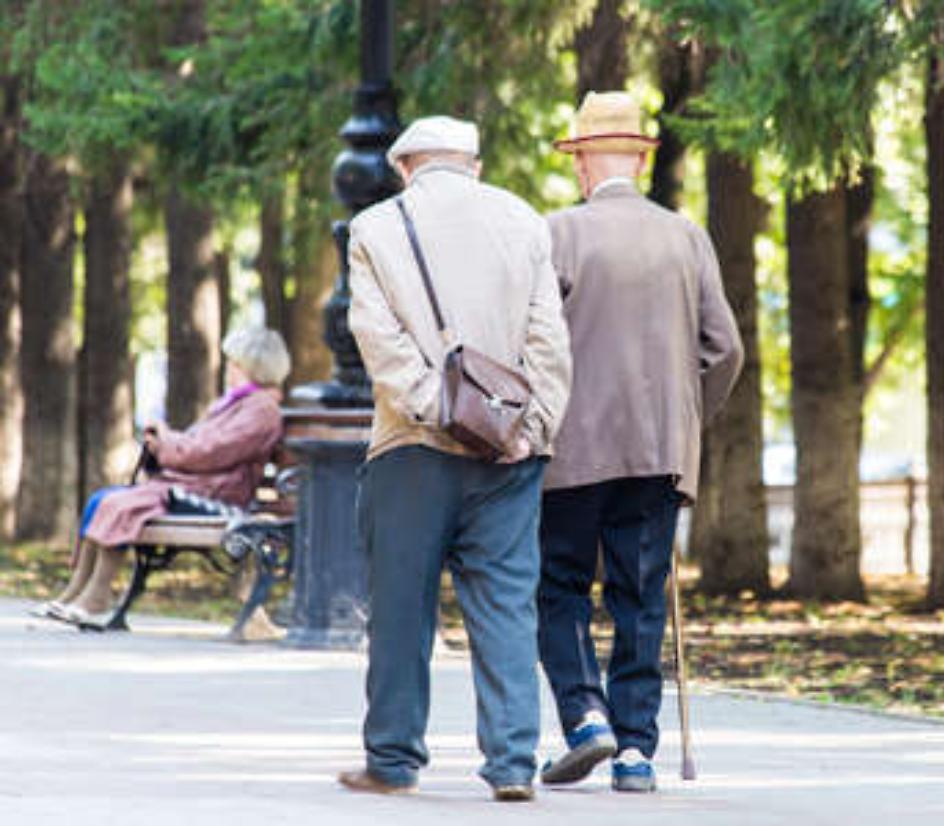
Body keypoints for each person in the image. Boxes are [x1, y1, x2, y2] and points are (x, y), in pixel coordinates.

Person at [337, 115, 571, 802]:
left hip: (411, 447)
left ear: (406, 165)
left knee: (402, 607)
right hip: (510, 449)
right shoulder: (525, 220)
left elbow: (376, 341)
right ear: (473, 164)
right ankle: (512, 764)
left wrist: (438, 408)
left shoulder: (376, 228)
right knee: (505, 602)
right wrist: (528, 425)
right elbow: (548, 340)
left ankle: (393, 759)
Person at [537, 91, 743, 793]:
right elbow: (726, 350)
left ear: (585, 162)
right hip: (660, 448)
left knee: (558, 585)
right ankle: (635, 750)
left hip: (572, 448)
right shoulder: (686, 236)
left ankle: (584, 715)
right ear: (640, 159)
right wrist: (689, 417)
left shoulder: (557, 233)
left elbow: (531, 342)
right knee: (639, 593)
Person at [33, 327, 289, 628]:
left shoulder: (261, 410)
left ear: (254, 368)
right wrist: (164, 441)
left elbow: (211, 452)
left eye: (235, 364)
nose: (229, 369)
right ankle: (77, 593)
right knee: (104, 500)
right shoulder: (238, 403)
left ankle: (97, 596)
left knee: (122, 504)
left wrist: (167, 443)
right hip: (199, 485)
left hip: (218, 493)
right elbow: (200, 445)